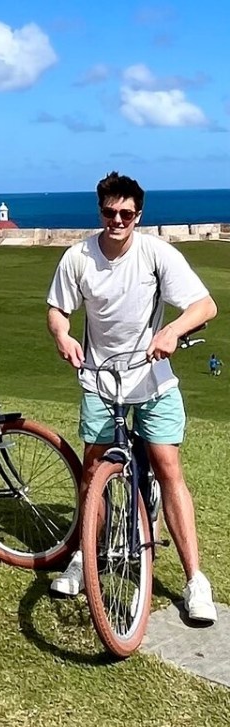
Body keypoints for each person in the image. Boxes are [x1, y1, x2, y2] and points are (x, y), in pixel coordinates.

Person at [46, 172, 218, 622]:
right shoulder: (78, 257)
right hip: (100, 380)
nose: (117, 220)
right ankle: (86, 557)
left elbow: (205, 306)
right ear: (99, 211)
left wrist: (172, 331)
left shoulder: (156, 254)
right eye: (110, 212)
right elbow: (58, 309)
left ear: (139, 215)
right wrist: (63, 335)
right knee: (94, 472)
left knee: (168, 468)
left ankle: (195, 579)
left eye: (126, 213)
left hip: (152, 380)